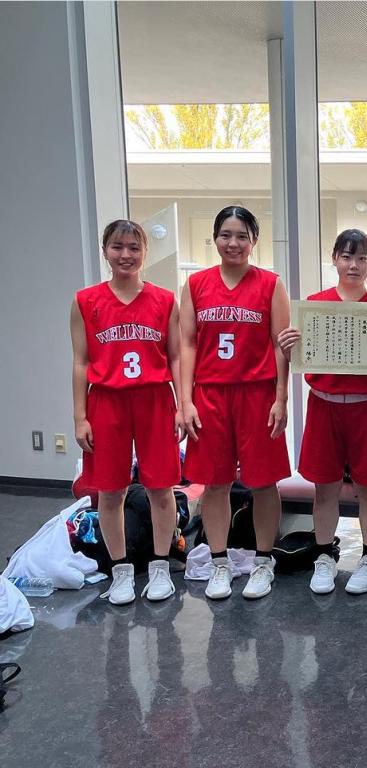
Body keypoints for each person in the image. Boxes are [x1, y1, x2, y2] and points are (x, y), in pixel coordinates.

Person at [277, 229, 367, 595]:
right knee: (324, 489)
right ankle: (323, 557)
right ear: (334, 259)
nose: (354, 265)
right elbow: (299, 358)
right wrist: (288, 348)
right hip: (324, 405)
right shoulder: (314, 306)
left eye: (362, 258)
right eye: (347, 256)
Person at [179, 205, 291, 601]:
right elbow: (187, 344)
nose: (233, 243)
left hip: (257, 393)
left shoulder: (271, 284)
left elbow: (281, 345)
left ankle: (263, 562)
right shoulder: (196, 284)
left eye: (242, 236)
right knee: (215, 483)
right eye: (226, 235)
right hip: (210, 393)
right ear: (215, 238)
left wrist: (281, 397)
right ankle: (219, 562)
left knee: (263, 482)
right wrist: (185, 400)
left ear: (254, 241)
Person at [70, 219, 183, 605]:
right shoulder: (85, 301)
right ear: (105, 251)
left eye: (134, 247)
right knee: (110, 491)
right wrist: (80, 416)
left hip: (155, 399)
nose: (125, 255)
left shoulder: (164, 300)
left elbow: (176, 357)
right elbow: (80, 362)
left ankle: (160, 566)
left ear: (145, 252)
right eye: (117, 247)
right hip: (107, 401)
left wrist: (183, 405)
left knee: (161, 488)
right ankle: (119, 570)